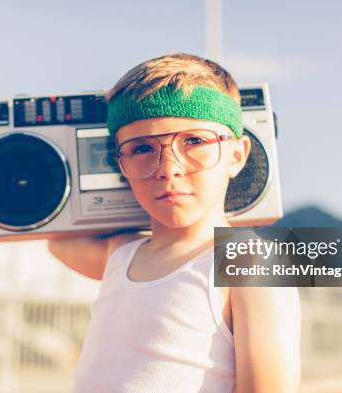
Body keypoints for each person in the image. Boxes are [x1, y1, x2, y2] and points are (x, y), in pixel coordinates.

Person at [47, 53, 301, 392]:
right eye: (141, 149)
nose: (168, 167)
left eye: (194, 141)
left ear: (237, 155)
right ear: (120, 165)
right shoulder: (121, 253)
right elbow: (55, 238)